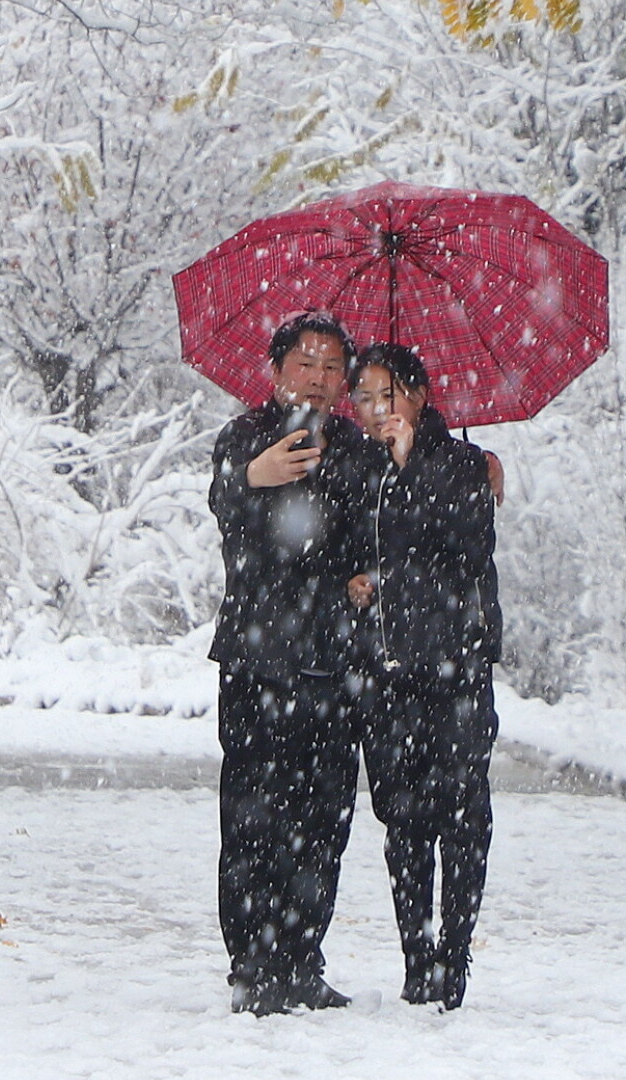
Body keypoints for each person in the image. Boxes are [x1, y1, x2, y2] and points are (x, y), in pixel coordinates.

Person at [206, 311, 371, 1016]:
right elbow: (223, 503)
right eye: (307, 362)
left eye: (334, 366)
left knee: (324, 817)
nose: (320, 376)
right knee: (252, 817)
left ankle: (302, 960)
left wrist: (471, 463)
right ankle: (251, 967)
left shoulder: (358, 450)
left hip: (331, 661)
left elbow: (382, 527)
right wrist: (257, 475)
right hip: (258, 657)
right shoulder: (243, 436)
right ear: (277, 370)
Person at [342, 342, 502, 1011]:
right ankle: (417, 952)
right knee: (403, 819)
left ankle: (454, 953)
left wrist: (412, 469)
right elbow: (340, 545)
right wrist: (349, 574)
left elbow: (470, 548)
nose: (377, 412)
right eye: (364, 400)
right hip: (386, 669)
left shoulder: (466, 464)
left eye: (387, 395)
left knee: (462, 816)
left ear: (418, 393)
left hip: (456, 667)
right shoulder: (355, 467)